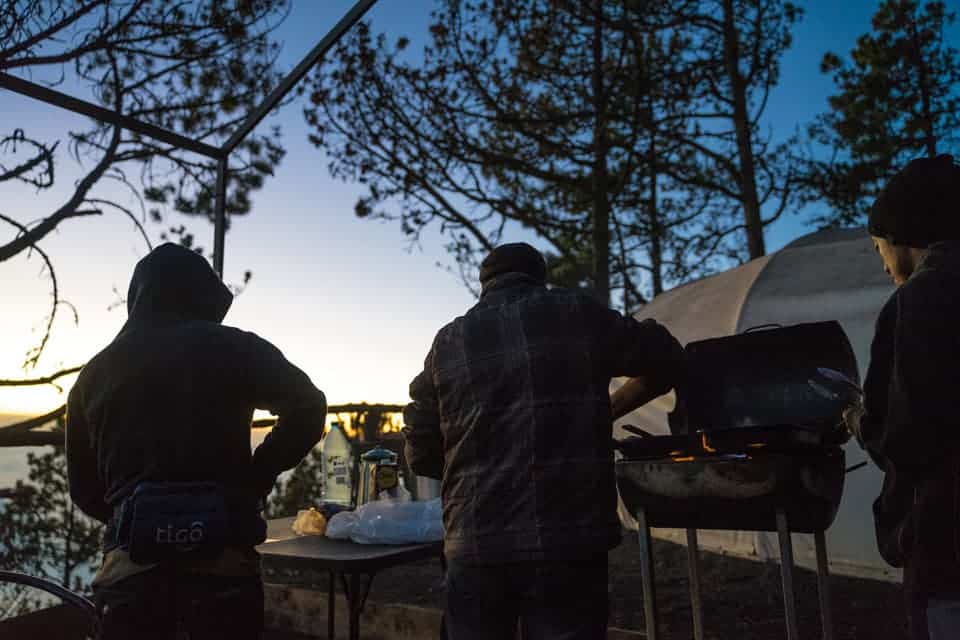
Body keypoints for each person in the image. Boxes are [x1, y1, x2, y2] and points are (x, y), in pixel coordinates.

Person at [402, 242, 684, 639]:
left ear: (485, 285)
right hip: (569, 540)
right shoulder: (578, 313)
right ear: (540, 277)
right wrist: (609, 410)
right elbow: (668, 356)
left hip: (475, 543)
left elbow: (421, 456)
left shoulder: (447, 342)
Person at [66, 243, 327, 640]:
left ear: (138, 297)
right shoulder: (235, 347)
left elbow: (84, 490)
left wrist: (142, 515)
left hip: (129, 574)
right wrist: (257, 474)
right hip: (223, 565)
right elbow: (308, 407)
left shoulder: (94, 374)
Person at [846, 154, 960, 640]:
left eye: (878, 248)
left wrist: (857, 418)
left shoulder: (920, 299)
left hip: (947, 539)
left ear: (898, 237)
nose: (883, 264)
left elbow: (908, 438)